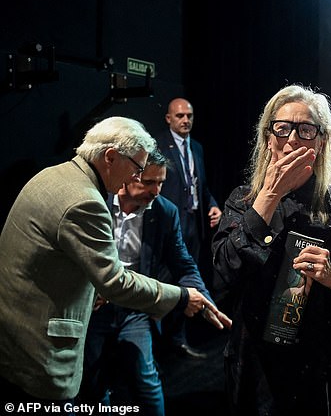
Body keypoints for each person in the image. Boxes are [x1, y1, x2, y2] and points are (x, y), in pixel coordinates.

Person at [0, 116, 223, 411]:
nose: (138, 176)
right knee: (92, 389)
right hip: (43, 347)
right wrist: (181, 297)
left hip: (19, 336)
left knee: (144, 383)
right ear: (111, 157)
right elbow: (115, 281)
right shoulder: (86, 201)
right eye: (138, 168)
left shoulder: (54, 175)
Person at [211, 84, 331, 415]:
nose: (292, 139)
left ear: (320, 141)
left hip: (319, 363)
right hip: (255, 362)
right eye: (282, 128)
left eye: (305, 129)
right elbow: (222, 273)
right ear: (268, 137)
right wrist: (270, 195)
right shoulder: (243, 200)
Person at [79, 150, 231, 414]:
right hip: (95, 309)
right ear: (129, 176)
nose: (156, 191)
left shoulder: (163, 212)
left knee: (146, 383)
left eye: (160, 182)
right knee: (92, 384)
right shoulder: (95, 202)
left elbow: (182, 263)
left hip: (135, 309)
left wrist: (202, 298)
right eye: (149, 182)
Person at [154, 97, 223, 356]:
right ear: (169, 118)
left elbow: (201, 186)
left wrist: (212, 205)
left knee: (188, 282)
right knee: (163, 282)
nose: (185, 120)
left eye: (189, 116)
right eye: (180, 116)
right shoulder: (158, 146)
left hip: (194, 225)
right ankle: (155, 343)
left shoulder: (197, 148)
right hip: (169, 226)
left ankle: (178, 339)